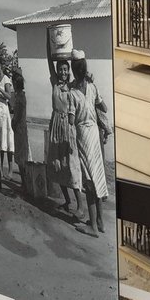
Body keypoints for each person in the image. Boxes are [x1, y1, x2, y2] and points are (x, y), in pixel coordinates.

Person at [69, 52, 109, 237]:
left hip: (84, 137)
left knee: (89, 180)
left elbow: (71, 120)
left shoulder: (72, 93)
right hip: (94, 134)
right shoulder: (93, 87)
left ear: (73, 70)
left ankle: (92, 226)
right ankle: (100, 221)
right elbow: (104, 108)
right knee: (97, 175)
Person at [47, 58, 83, 221]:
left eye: (65, 69)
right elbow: (49, 62)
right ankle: (67, 201)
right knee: (58, 165)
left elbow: (83, 76)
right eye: (60, 69)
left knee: (71, 165)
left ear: (69, 71)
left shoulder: (73, 86)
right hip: (56, 126)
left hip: (68, 128)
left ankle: (80, 206)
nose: (63, 72)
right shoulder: (55, 84)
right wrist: (49, 44)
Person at [0, 56, 15, 180]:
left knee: (8, 141)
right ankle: (0, 170)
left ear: (1, 66)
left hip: (4, 111)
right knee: (0, 142)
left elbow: (9, 96)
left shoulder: (6, 79)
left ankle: (10, 171)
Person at [10, 73, 31, 195]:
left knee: (21, 157)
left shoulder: (20, 97)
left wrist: (13, 123)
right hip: (20, 129)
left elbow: (17, 115)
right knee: (21, 156)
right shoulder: (20, 96)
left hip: (20, 129)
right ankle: (24, 184)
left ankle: (25, 185)